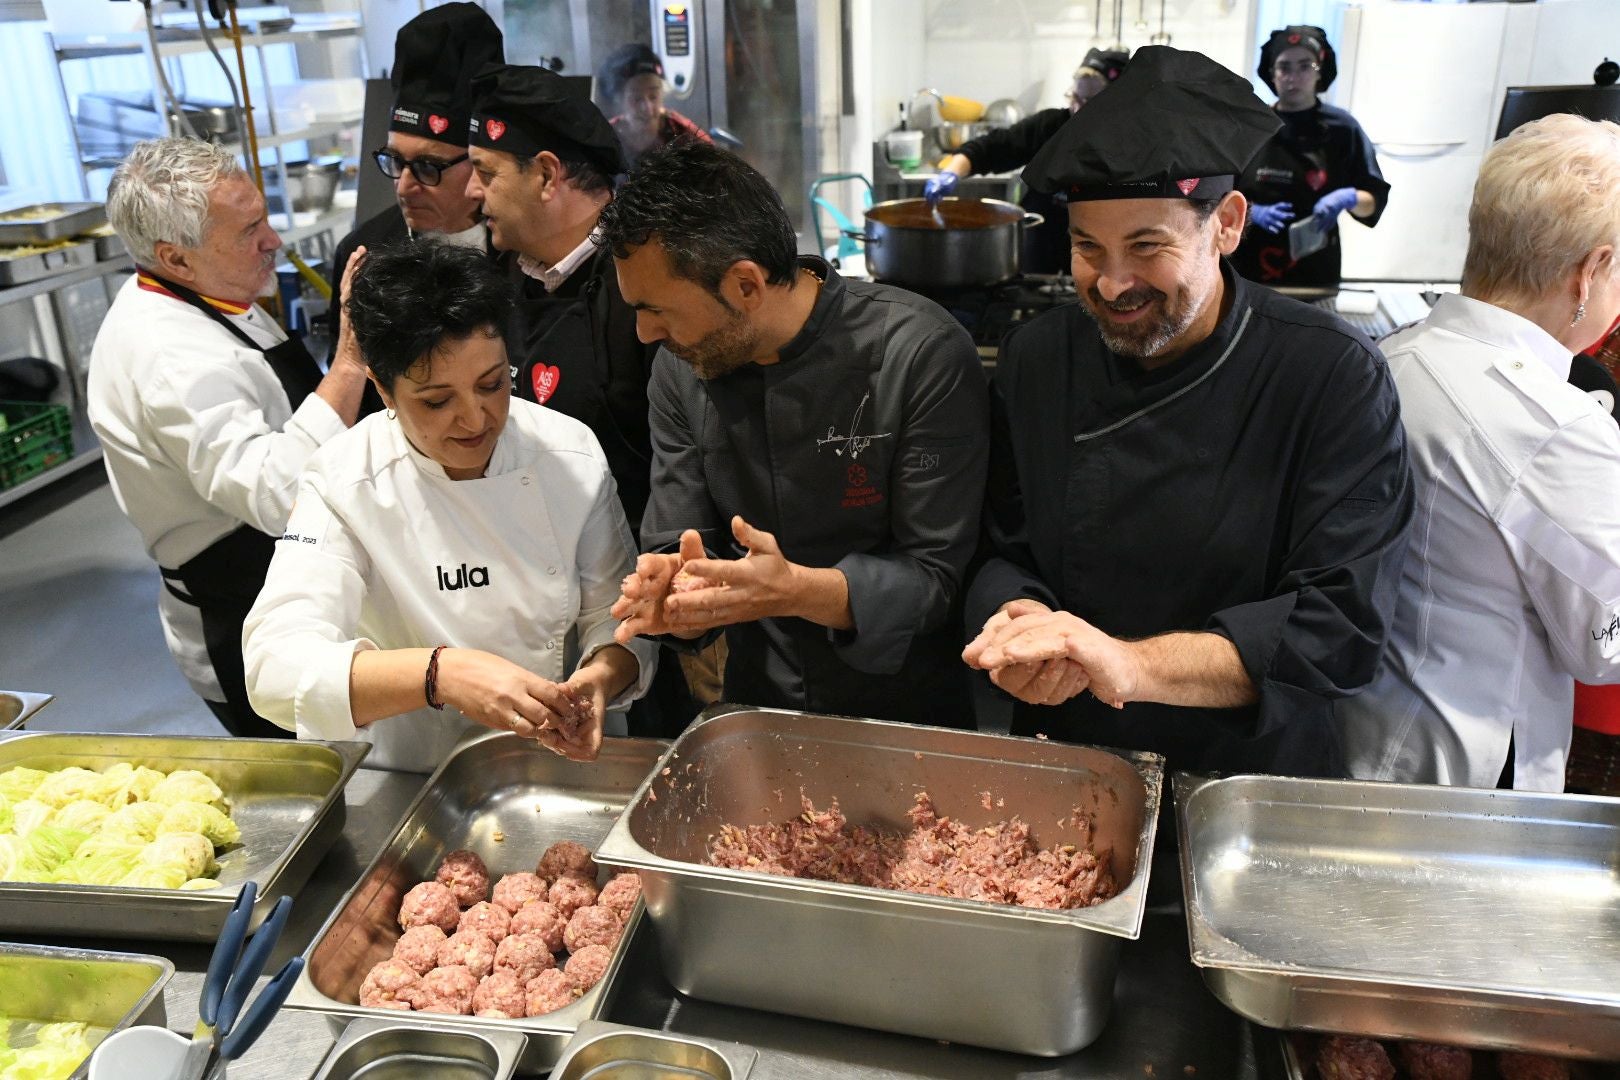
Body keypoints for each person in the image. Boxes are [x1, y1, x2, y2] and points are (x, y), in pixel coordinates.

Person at [961, 46, 1414, 780]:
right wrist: (1018, 616)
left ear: (1227, 224)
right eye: (1086, 247)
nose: (1111, 283)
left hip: (1247, 781)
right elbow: (1001, 544)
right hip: (1074, 762)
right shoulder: (1038, 359)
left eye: (1147, 246)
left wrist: (1128, 665)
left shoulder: (1329, 375)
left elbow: (1336, 626)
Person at [603, 140, 989, 727]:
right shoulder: (680, 371)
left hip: (909, 718)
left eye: (656, 309)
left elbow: (934, 580)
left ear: (745, 285)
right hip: (759, 714)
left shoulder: (919, 351)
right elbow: (679, 541)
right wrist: (673, 591)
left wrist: (791, 589)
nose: (644, 333)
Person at [242, 241, 656, 772]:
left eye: (492, 384)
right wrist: (441, 675)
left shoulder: (567, 453)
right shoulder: (344, 480)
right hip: (414, 778)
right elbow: (273, 668)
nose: (475, 419)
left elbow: (618, 619)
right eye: (437, 401)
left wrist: (596, 683)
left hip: (564, 770)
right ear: (384, 392)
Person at [1338, 115, 1620, 792]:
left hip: (1368, 737)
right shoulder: (1554, 427)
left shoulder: (1395, 355)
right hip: (1467, 777)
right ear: (1592, 271)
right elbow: (1603, 646)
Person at [87, 137, 370, 736]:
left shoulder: (208, 293)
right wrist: (348, 364)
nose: (273, 240)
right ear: (176, 257)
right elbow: (275, 496)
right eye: (248, 232)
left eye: (263, 217)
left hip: (290, 582)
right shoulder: (170, 355)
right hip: (241, 616)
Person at [465, 62, 697, 734]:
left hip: (640, 617)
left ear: (545, 175)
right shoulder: (491, 286)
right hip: (515, 606)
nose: (472, 194)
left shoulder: (650, 289)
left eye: (486, 172)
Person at [322, 3, 503, 374]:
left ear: (479, 161)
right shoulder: (364, 256)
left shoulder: (521, 248)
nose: (404, 186)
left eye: (427, 167)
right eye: (394, 161)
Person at [923, 48, 1129, 275]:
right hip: (1037, 249)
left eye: (1089, 101)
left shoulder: (1131, 143)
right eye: (1075, 98)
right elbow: (992, 147)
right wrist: (951, 172)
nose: (1077, 108)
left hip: (1100, 262)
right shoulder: (1051, 126)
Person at [1231, 25, 1389, 288]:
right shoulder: (1251, 127)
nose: (1293, 77)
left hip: (1315, 279)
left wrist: (1347, 198)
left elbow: (1373, 200)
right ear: (1272, 73)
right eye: (1284, 67)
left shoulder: (1343, 129)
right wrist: (1251, 211)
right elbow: (1215, 193)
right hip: (1247, 276)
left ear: (1320, 72)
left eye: (1305, 66)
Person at [598, 43, 712, 169]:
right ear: (619, 100)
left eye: (653, 96)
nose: (648, 108)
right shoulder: (605, 139)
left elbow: (715, 170)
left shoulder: (683, 134)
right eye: (637, 98)